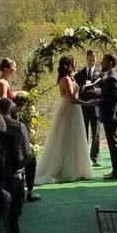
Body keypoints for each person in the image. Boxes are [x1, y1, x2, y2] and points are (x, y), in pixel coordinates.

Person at [35, 55, 93, 184]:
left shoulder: (68, 78)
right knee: (68, 138)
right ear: (69, 65)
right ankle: (68, 170)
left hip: (73, 110)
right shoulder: (66, 79)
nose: (76, 64)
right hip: (70, 110)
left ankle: (77, 169)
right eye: (74, 63)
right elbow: (72, 99)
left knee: (74, 138)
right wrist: (89, 103)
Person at [0, 97, 39, 203]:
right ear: (11, 109)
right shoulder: (19, 126)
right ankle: (29, 192)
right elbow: (26, 149)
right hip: (15, 163)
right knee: (31, 157)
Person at [96, 54, 117, 179]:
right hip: (109, 115)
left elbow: (114, 99)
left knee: (113, 143)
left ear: (111, 63)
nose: (101, 63)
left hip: (111, 115)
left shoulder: (113, 78)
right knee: (112, 142)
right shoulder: (109, 76)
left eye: (104, 61)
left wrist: (97, 102)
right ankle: (116, 169)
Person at [74, 50, 103, 167]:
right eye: (90, 59)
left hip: (95, 108)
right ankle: (84, 157)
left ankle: (95, 157)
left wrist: (96, 90)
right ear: (86, 58)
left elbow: (103, 90)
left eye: (93, 60)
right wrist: (83, 89)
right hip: (83, 107)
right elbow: (76, 89)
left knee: (96, 133)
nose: (91, 62)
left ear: (96, 60)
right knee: (83, 133)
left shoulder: (100, 74)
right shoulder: (79, 74)